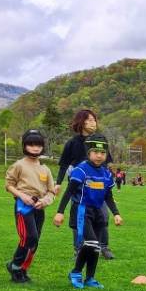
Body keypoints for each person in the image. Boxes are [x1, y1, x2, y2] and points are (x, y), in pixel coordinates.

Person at [54, 137, 122, 288]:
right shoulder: (81, 170)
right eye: (95, 152)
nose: (99, 155)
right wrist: (60, 212)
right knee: (91, 243)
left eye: (102, 153)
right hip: (82, 210)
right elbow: (69, 192)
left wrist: (116, 213)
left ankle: (90, 278)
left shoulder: (106, 173)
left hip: (98, 212)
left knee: (96, 247)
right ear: (89, 153)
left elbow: (108, 196)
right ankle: (76, 272)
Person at [57, 109, 115, 259]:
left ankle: (104, 247)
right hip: (79, 186)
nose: (93, 123)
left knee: (103, 216)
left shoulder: (100, 141)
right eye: (89, 120)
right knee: (79, 218)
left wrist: (109, 178)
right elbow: (63, 165)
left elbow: (108, 163)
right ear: (80, 122)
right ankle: (78, 249)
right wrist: (58, 183)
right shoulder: (72, 143)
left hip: (98, 187)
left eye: (94, 120)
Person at [5, 129, 56, 283]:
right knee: (29, 237)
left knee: (35, 241)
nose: (35, 148)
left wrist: (44, 201)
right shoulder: (19, 165)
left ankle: (23, 269)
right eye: (31, 144)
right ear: (25, 146)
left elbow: (51, 192)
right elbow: (9, 185)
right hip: (23, 207)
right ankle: (15, 266)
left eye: (38, 145)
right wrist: (22, 196)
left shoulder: (45, 169)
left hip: (39, 208)